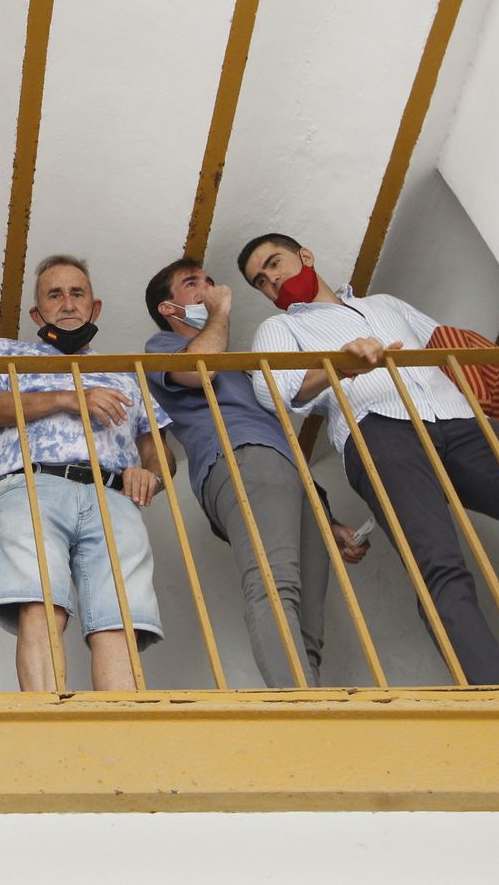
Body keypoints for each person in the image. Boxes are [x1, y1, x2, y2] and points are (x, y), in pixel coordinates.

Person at [239, 232, 499, 684]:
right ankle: (498, 699)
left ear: (305, 256)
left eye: (275, 264)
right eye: (261, 281)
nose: (272, 280)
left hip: (463, 423)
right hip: (379, 435)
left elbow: (459, 348)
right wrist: (340, 365)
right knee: (439, 562)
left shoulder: (388, 304)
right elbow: (273, 393)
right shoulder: (281, 328)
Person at [143, 256, 368, 687]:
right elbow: (198, 369)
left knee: (308, 621)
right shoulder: (161, 348)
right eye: (194, 284)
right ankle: (302, 712)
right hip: (239, 456)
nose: (209, 288)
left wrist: (326, 514)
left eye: (211, 281)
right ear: (170, 310)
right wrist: (221, 310)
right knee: (274, 585)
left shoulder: (237, 365)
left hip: (289, 475)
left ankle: (311, 714)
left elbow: (281, 435)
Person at [0, 254, 173, 691]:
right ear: (38, 313)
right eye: (54, 294)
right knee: (41, 605)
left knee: (119, 617)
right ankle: (47, 723)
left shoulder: (123, 374)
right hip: (30, 485)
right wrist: (68, 396)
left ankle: (121, 734)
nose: (67, 303)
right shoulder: (6, 351)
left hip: (113, 494)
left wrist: (149, 473)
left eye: (77, 293)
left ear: (95, 307)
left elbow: (159, 452)